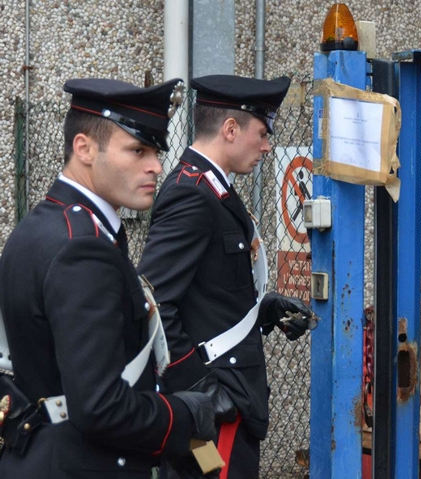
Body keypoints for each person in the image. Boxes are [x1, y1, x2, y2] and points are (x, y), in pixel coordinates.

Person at [0, 78, 233, 478]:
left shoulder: (41, 226)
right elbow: (100, 407)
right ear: (84, 149)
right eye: (137, 150)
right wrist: (185, 415)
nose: (157, 165)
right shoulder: (82, 248)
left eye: (156, 151)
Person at [138, 74, 317, 479]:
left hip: (224, 401)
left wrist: (265, 310)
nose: (268, 146)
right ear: (231, 129)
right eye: (262, 132)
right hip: (215, 410)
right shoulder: (192, 194)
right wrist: (197, 388)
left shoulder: (214, 191)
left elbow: (209, 290)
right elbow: (153, 301)